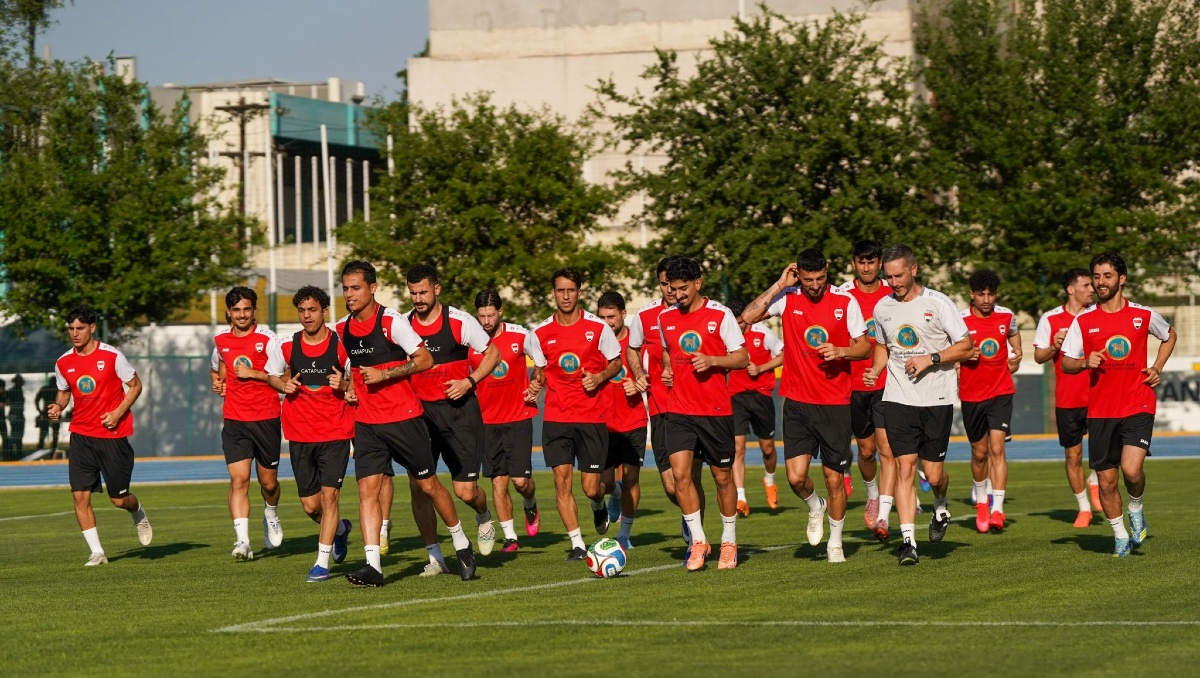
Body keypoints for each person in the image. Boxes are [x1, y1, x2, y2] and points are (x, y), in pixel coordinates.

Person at [338, 260, 476, 586]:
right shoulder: (342, 327)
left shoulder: (391, 322)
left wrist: (385, 374)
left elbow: (424, 359)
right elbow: (351, 371)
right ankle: (373, 565)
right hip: (368, 424)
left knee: (428, 486)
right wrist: (349, 388)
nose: (349, 294)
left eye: (355, 288)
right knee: (367, 492)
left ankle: (460, 542)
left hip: (404, 419)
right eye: (345, 288)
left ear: (372, 288)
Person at [742, 249, 869, 563]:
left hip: (835, 403)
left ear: (827, 271)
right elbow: (747, 317)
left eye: (820, 278)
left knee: (834, 478)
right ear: (799, 275)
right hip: (797, 402)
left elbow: (865, 345)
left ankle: (835, 543)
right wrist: (778, 285)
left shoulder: (845, 301)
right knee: (796, 478)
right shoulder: (788, 297)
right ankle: (816, 507)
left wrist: (841, 351)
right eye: (808, 279)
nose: (814, 285)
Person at [864, 244, 973, 566]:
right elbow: (883, 347)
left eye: (898, 275)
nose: (894, 282)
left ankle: (940, 504)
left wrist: (932, 358)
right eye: (889, 277)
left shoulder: (939, 304)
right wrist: (875, 369)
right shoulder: (882, 307)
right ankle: (908, 541)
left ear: (914, 269)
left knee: (935, 474)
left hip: (936, 398)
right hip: (898, 397)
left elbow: (966, 346)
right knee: (904, 467)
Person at [1061, 250, 1176, 557]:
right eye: (1096, 276)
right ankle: (1120, 536)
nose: (1100, 282)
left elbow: (1169, 335)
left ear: (1121, 279)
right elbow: (1067, 363)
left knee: (1131, 470)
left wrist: (1157, 367)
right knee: (1107, 481)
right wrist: (1086, 361)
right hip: (1100, 411)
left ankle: (1136, 508)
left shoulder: (1143, 315)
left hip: (1138, 404)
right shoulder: (1083, 321)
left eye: (1107, 276)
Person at [404, 264, 502, 575]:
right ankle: (435, 558)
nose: (418, 298)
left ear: (436, 289)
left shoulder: (459, 321)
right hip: (420, 415)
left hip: (459, 413)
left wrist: (469, 382)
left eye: (423, 292)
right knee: (420, 486)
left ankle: (484, 515)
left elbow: (493, 354)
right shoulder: (403, 325)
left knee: (465, 492)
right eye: (413, 293)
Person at [658, 257, 748, 571]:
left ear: (698, 283)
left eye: (684, 288)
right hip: (679, 410)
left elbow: (741, 357)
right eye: (673, 288)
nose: (678, 294)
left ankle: (728, 541)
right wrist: (669, 370)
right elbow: (668, 351)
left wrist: (712, 361)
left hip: (715, 411)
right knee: (681, 477)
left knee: (722, 479)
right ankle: (698, 542)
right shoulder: (665, 319)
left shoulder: (721, 315)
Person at [527, 268, 623, 560]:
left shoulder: (598, 328)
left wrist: (599, 377)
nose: (566, 296)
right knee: (561, 481)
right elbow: (540, 372)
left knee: (591, 487)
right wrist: (535, 386)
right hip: (556, 417)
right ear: (553, 293)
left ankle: (600, 503)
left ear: (579, 292)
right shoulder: (540, 333)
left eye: (571, 290)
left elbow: (616, 363)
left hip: (591, 417)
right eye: (560, 290)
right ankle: (578, 544)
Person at [265, 286, 355, 582]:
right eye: (302, 311)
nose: (307, 316)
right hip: (300, 433)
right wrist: (283, 386)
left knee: (330, 497)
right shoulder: (288, 346)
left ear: (324, 311)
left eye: (312, 310)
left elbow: (356, 385)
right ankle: (341, 530)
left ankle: (322, 563)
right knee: (310, 505)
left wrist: (344, 385)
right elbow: (272, 375)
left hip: (336, 430)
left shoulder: (342, 345)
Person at [51, 306, 152, 565]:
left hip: (112, 436)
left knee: (119, 500)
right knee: (79, 495)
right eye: (71, 328)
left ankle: (137, 512)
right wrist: (58, 406)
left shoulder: (112, 356)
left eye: (80, 328)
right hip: (81, 436)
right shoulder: (63, 362)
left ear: (92, 328)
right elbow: (64, 391)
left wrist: (118, 413)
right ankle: (97, 552)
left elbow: (135, 386)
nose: (75, 333)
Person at [626, 256, 705, 548]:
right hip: (661, 408)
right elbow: (632, 349)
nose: (670, 291)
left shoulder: (700, 312)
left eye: (673, 285)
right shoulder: (647, 317)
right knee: (672, 484)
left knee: (691, 476)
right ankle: (689, 516)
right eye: (664, 285)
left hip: (695, 407)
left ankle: (698, 539)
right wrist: (639, 375)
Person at [210, 286, 285, 561]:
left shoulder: (268, 339)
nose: (242, 315)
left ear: (254, 311)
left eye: (247, 309)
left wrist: (253, 373)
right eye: (236, 310)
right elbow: (218, 368)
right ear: (229, 313)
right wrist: (217, 382)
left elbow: (283, 376)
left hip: (266, 418)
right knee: (238, 480)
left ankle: (272, 513)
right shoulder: (220, 341)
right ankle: (243, 541)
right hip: (235, 420)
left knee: (268, 484)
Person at [470, 290, 542, 553]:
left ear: (500, 312)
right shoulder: (471, 340)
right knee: (498, 481)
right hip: (487, 423)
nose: (486, 321)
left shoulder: (520, 335)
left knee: (520, 481)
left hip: (519, 417)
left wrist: (537, 382)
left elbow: (542, 363)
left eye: (490, 315)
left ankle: (530, 502)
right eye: (481, 316)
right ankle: (511, 537)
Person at [837, 239, 899, 539]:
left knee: (887, 448)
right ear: (854, 264)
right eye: (861, 262)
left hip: (889, 383)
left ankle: (883, 515)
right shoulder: (842, 296)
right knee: (866, 450)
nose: (866, 267)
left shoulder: (893, 293)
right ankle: (872, 493)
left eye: (871, 261)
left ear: (879, 264)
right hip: (853, 385)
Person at [1034, 268, 1103, 527]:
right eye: (1086, 285)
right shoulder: (1050, 318)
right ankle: (1083, 507)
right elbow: (1039, 357)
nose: (1091, 289)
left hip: (1099, 394)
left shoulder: (1099, 314)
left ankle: (1095, 478)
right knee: (1073, 456)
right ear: (1070, 289)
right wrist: (1054, 345)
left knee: (1103, 451)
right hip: (1068, 399)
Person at [958, 269, 1022, 533]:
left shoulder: (1007, 316)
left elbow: (1015, 339)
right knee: (979, 452)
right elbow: (949, 350)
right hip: (971, 395)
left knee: (997, 448)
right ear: (971, 294)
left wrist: (1016, 355)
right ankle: (981, 502)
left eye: (991, 294)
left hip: (1001, 392)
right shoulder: (959, 320)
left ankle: (997, 508)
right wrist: (963, 355)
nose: (986, 299)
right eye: (981, 294)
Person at [596, 291, 650, 551]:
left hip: (634, 422)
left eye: (611, 317)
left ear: (623, 314)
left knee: (631, 481)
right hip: (604, 425)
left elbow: (652, 376)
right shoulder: (594, 343)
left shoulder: (636, 342)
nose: (607, 322)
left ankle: (624, 535)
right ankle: (614, 492)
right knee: (602, 485)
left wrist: (639, 385)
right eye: (602, 317)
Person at [725, 297, 783, 516]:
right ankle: (741, 498)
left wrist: (761, 368)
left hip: (762, 396)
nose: (736, 327)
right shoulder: (726, 335)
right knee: (737, 448)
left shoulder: (763, 332)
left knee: (767, 448)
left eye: (739, 322)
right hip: (736, 397)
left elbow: (783, 355)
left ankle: (769, 480)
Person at [37, 376, 65, 453]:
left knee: (43, 433)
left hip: (46, 413)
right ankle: (53, 450)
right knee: (55, 434)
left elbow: (36, 400)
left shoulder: (45, 389)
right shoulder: (58, 390)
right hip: (55, 413)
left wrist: (40, 411)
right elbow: (63, 401)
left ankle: (40, 449)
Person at [7, 374, 26, 456]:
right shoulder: (14, 391)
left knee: (16, 434)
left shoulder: (16, 390)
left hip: (17, 414)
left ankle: (15, 452)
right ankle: (14, 453)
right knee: (16, 434)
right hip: (15, 415)